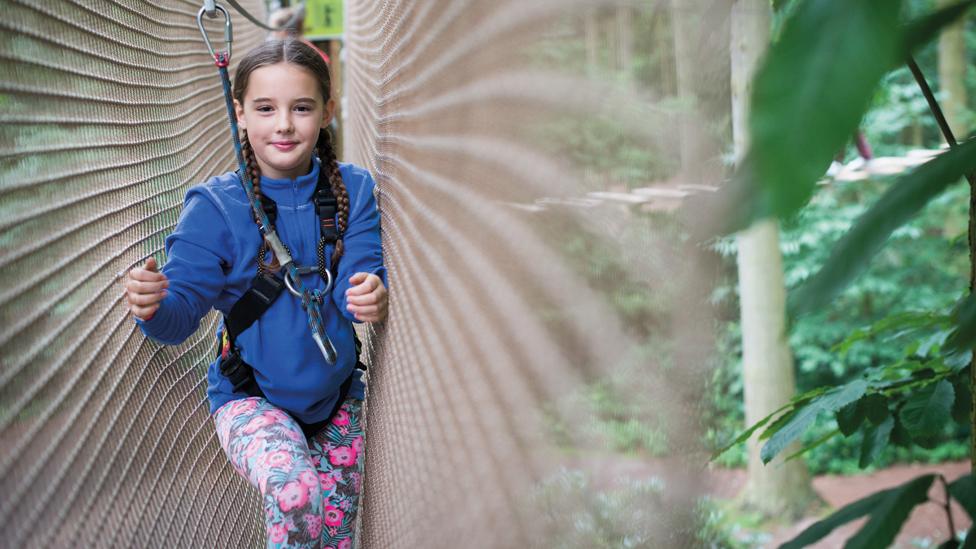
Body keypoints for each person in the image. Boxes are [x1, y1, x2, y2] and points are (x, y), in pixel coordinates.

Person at [123, 39, 387, 549]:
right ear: (240, 113)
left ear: (327, 112)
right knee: (293, 492)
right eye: (265, 109)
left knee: (334, 539)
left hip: (336, 396)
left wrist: (369, 294)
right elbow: (179, 319)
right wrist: (152, 305)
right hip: (250, 398)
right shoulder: (215, 208)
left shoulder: (352, 191)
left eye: (302, 108)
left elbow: (362, 275)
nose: (283, 125)